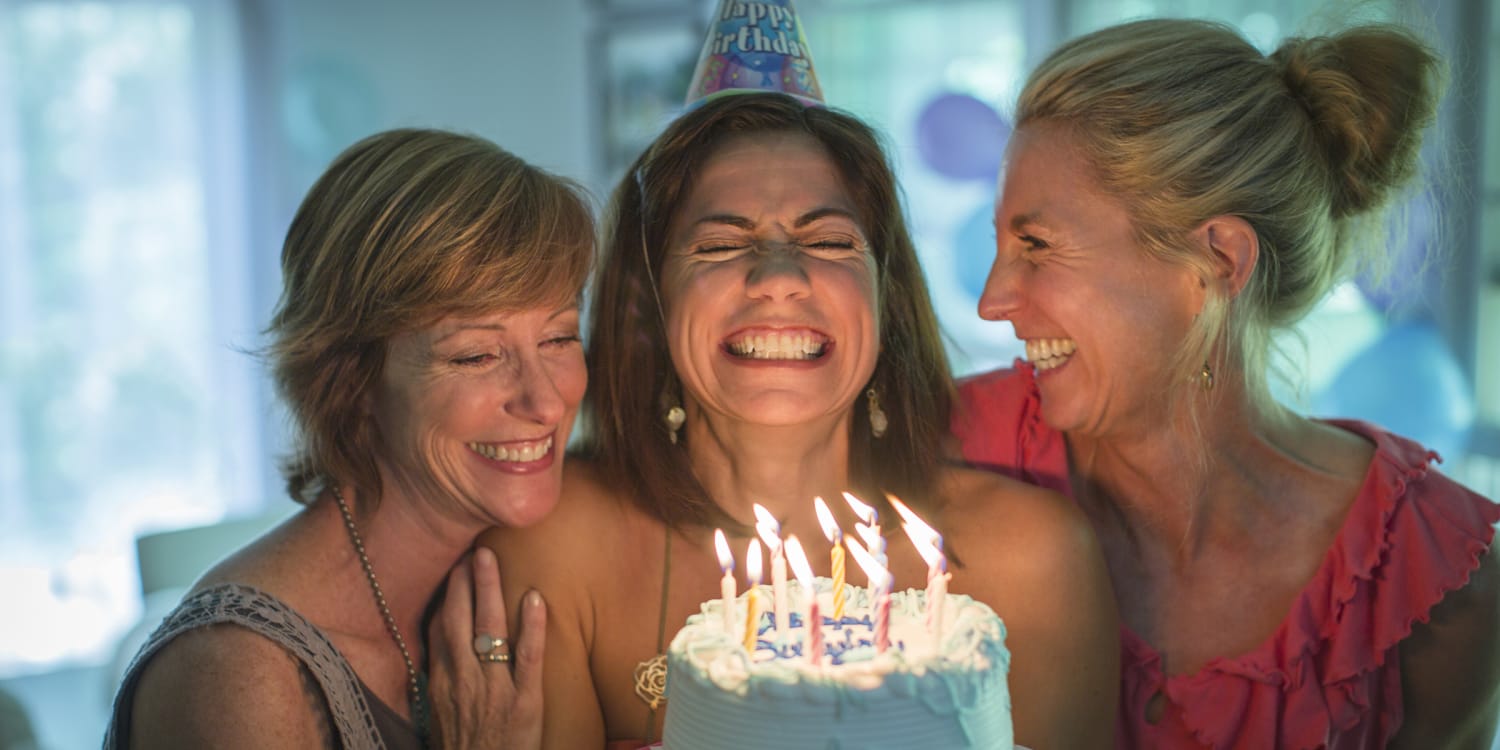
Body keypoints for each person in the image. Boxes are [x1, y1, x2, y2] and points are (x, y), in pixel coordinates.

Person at [480, 91, 1119, 750]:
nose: (779, 277)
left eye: (828, 240)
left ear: (885, 295)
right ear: (647, 302)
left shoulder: (1032, 563)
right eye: (721, 244)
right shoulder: (554, 551)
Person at [952, 17, 1500, 749]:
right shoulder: (951, 448)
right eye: (999, 244)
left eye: (1036, 245)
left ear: (1217, 261)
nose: (993, 299)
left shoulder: (1441, 593)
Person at [104, 128, 595, 749]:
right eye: (475, 356)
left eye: (558, 338)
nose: (546, 400)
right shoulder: (236, 675)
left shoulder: (524, 575)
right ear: (351, 379)